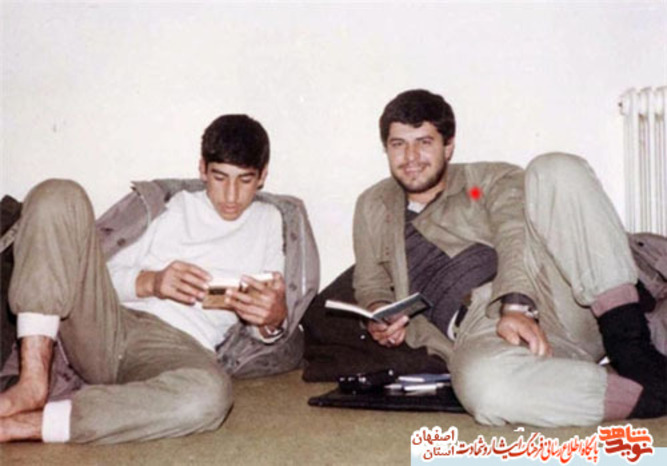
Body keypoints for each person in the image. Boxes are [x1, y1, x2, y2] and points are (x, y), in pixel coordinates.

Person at [353, 89, 666, 426]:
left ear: (448, 145)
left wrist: (515, 305)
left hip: (551, 294)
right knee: (486, 390)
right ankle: (642, 393)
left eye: (424, 142)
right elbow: (370, 284)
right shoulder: (373, 205)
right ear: (386, 149)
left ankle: (630, 344)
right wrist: (378, 314)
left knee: (553, 168)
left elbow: (514, 233)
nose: (411, 156)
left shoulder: (485, 182)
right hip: (478, 329)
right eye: (399, 144)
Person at [0, 114, 319, 443]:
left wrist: (272, 317)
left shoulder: (271, 222)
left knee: (209, 397)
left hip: (178, 348)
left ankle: (27, 426)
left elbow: (264, 323)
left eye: (245, 180)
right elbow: (93, 277)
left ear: (263, 177)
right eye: (220, 177)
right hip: (108, 325)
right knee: (57, 194)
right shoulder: (171, 206)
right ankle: (32, 384)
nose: (231, 195)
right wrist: (151, 282)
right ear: (202, 169)